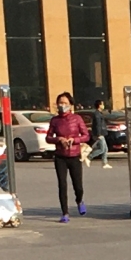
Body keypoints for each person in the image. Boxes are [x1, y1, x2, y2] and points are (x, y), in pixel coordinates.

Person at [48, 90, 90, 219]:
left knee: (78, 185)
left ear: (71, 105)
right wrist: (58, 139)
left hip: (74, 155)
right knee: (62, 184)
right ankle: (65, 212)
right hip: (60, 156)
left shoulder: (77, 119)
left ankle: (79, 200)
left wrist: (75, 140)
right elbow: (48, 137)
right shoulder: (55, 120)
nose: (62, 105)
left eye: (65, 103)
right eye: (60, 103)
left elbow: (86, 136)